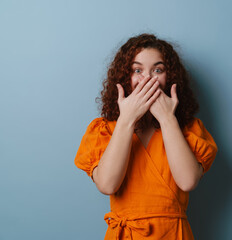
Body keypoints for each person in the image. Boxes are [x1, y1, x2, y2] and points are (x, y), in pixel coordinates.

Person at [74, 33, 218, 239]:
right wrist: (126, 119)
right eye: (137, 70)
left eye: (157, 70)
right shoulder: (104, 130)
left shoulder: (190, 130)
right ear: (124, 77)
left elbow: (187, 181)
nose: (147, 79)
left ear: (171, 78)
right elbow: (106, 185)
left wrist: (168, 119)